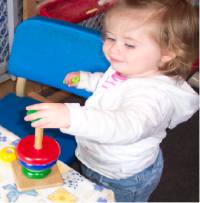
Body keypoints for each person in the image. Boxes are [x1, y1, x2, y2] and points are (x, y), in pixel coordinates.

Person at [24, 0, 199, 201]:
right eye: (110, 38)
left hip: (124, 175)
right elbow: (109, 84)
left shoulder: (154, 96)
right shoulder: (133, 66)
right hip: (98, 159)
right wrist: (86, 80)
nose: (114, 49)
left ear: (168, 53)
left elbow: (125, 126)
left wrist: (71, 116)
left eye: (129, 44)